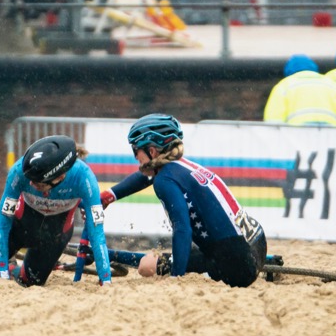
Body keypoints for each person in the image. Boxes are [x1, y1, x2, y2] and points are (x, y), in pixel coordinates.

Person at [102, 114, 267, 288]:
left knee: (147, 266)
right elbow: (145, 176)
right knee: (182, 253)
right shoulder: (180, 166)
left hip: (237, 266)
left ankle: (109, 255)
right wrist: (108, 196)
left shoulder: (164, 180)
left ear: (152, 151)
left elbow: (182, 229)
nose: (135, 156)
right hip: (257, 245)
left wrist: (176, 277)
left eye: (136, 150)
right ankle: (111, 255)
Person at [0, 134, 113, 286]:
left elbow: (96, 233)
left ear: (59, 178)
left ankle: (13, 268)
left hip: (54, 237)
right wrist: (2, 273)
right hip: (18, 227)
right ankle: (7, 265)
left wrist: (105, 280)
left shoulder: (84, 178)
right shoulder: (19, 171)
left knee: (27, 282)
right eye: (30, 180)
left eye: (39, 183)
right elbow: (2, 226)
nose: (31, 185)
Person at [262, 55, 336, 126]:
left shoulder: (283, 86)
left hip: (296, 141)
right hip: (329, 140)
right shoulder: (332, 84)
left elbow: (273, 123)